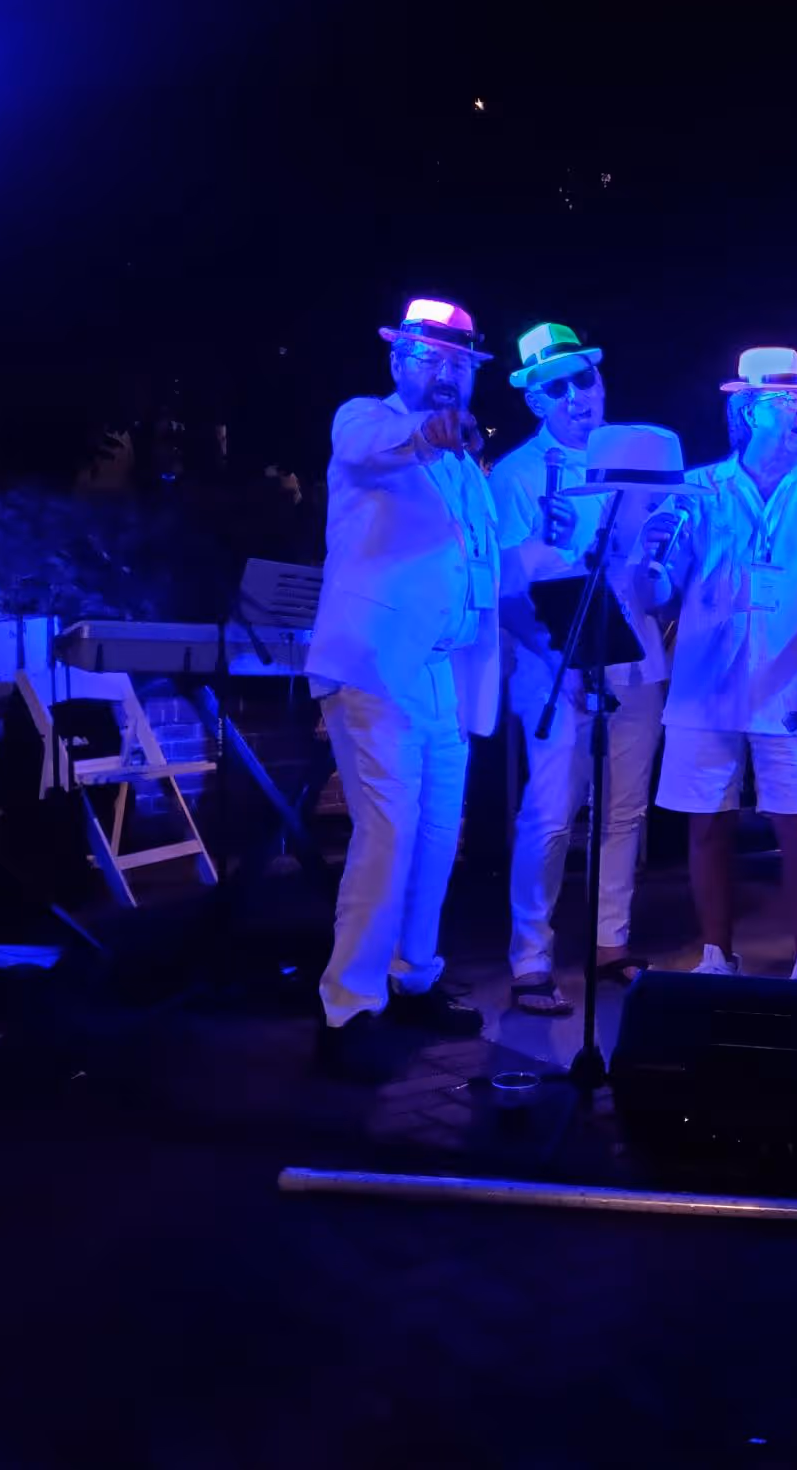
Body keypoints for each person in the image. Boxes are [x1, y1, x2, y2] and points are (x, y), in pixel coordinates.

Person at [308, 298, 502, 1072]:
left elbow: (486, 563)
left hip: (440, 672)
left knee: (436, 831)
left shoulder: (465, 465)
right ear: (398, 361)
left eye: (459, 364)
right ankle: (347, 1009)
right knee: (387, 830)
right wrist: (424, 430)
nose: (448, 375)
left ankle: (412, 976)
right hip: (376, 664)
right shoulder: (365, 420)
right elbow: (366, 450)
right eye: (432, 360)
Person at [653, 347, 797, 980]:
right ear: (747, 411)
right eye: (788, 402)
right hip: (705, 687)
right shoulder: (696, 489)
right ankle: (715, 954)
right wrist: (651, 565)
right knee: (707, 824)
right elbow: (661, 586)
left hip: (795, 685)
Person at [490, 322, 672, 1014]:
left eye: (584, 379)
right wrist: (556, 655)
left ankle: (610, 944)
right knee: (551, 812)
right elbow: (507, 591)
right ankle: (530, 956)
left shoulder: (636, 455)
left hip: (635, 659)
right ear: (535, 400)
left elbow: (656, 585)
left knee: (624, 810)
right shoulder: (513, 476)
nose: (576, 396)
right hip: (553, 661)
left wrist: (658, 552)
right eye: (557, 386)